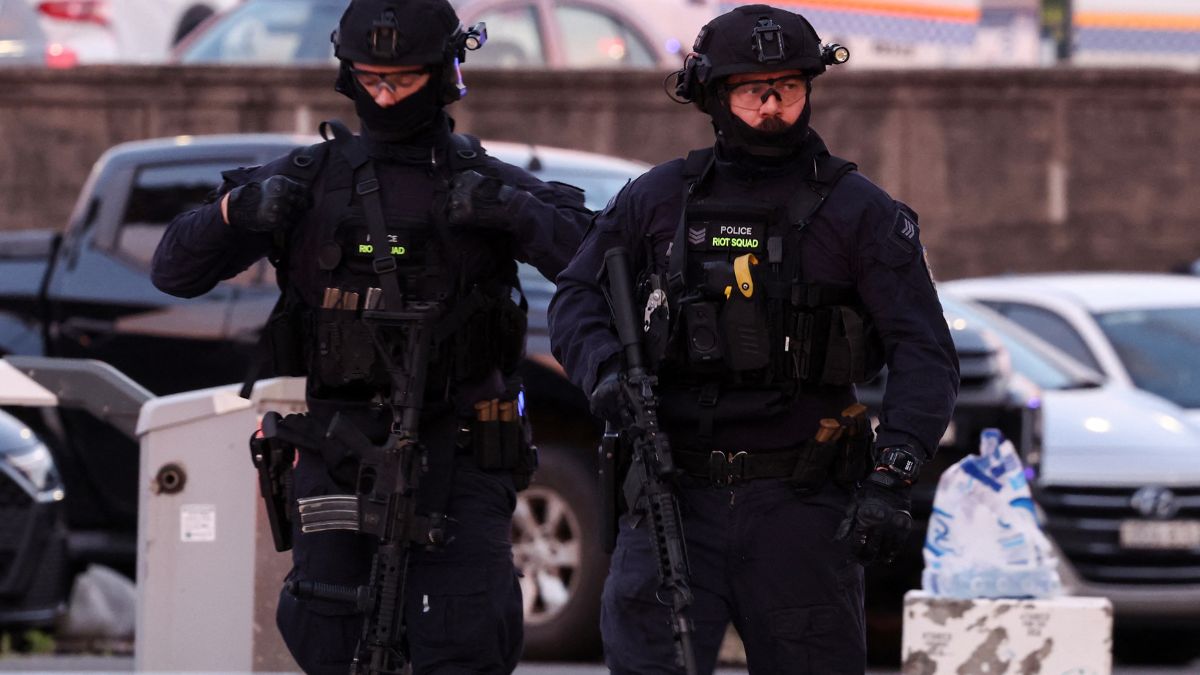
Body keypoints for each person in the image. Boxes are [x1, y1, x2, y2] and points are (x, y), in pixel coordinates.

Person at [151, 0, 591, 672]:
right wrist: (232, 212)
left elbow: (592, 258)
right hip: (337, 447)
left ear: (443, 74)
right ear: (347, 73)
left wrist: (514, 213)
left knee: (464, 638)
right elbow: (174, 270)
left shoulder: (483, 180)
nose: (384, 96)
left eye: (403, 80)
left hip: (462, 451)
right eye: (372, 77)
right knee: (331, 633)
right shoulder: (307, 180)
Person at [548, 5, 960, 674]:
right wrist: (604, 373)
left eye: (788, 88)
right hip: (671, 494)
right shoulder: (656, 201)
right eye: (751, 90)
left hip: (801, 510)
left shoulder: (862, 214)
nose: (772, 106)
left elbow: (925, 353)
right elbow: (576, 295)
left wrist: (895, 472)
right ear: (714, 96)